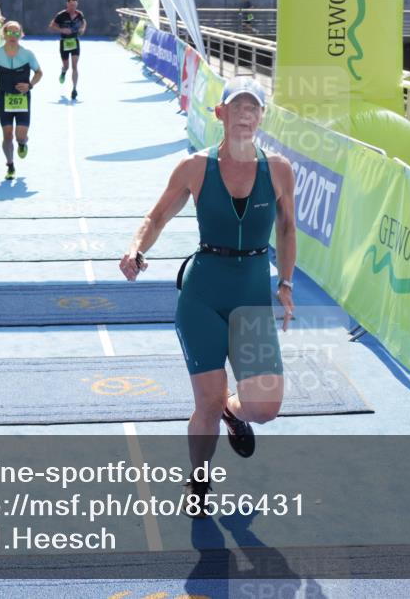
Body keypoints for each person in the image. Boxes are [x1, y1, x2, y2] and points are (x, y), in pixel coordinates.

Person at [119, 76, 296, 516]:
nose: (245, 115)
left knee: (264, 407)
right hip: (202, 297)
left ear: (262, 117)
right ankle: (198, 478)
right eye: (237, 107)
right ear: (220, 113)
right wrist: (136, 248)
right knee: (208, 401)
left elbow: (287, 229)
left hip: (251, 296)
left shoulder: (278, 170)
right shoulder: (195, 168)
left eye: (253, 108)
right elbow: (156, 217)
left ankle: (233, 413)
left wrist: (286, 283)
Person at [0, 21, 42, 180]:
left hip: (23, 98)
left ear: (21, 34)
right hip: (5, 97)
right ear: (4, 34)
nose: (13, 36)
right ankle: (10, 165)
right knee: (7, 135)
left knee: (20, 136)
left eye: (16, 33)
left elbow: (39, 73)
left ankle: (22, 143)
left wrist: (30, 85)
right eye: (10, 32)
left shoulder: (27, 54)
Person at [49, 0, 86, 101]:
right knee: (67, 66)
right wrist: (62, 30)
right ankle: (63, 71)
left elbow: (84, 22)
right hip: (64, 42)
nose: (72, 7)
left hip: (75, 42)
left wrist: (82, 28)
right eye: (71, 5)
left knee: (75, 66)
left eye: (74, 5)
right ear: (67, 4)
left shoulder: (79, 14)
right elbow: (52, 25)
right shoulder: (61, 15)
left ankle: (74, 89)